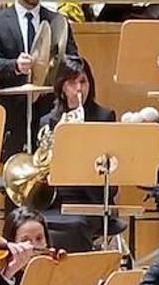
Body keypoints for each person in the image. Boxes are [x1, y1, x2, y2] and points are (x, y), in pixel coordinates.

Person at [0, 0, 79, 161]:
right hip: (13, 106)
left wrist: (55, 68)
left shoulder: (58, 21)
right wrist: (15, 65)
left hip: (49, 105)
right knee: (13, 163)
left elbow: (74, 59)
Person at [37, 58, 119, 253]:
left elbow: (110, 168)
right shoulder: (48, 121)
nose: (79, 89)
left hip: (89, 197)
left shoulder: (103, 117)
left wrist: (82, 141)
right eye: (72, 83)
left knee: (76, 225)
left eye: (83, 82)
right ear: (62, 87)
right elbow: (42, 165)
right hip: (56, 196)